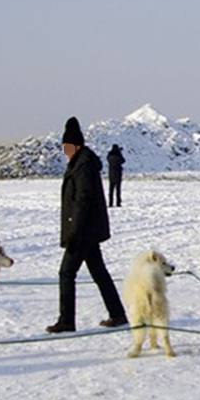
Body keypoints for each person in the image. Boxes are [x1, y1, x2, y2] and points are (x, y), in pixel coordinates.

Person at [47, 117, 128, 333]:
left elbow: (83, 200)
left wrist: (74, 230)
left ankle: (67, 321)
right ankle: (118, 314)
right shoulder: (80, 162)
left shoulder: (83, 165)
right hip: (87, 231)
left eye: (67, 147)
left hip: (83, 232)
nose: (65, 151)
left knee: (66, 273)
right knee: (99, 273)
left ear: (77, 145)